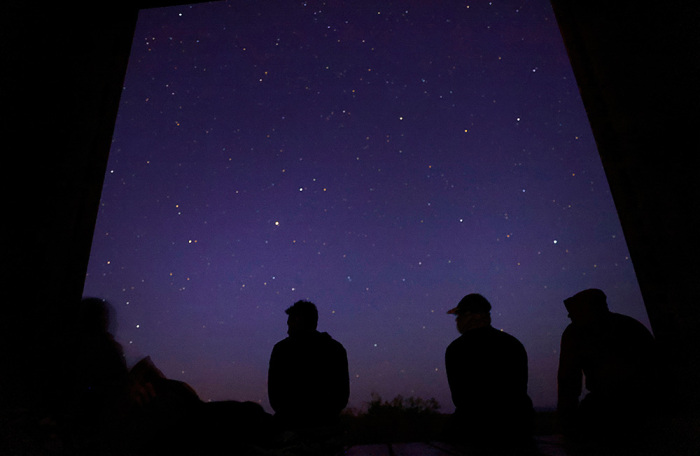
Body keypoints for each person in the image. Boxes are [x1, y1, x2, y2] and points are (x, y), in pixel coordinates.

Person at [557, 288, 658, 442]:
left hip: (615, 409)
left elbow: (568, 382)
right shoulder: (631, 326)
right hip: (645, 408)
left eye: (574, 312)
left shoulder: (575, 333)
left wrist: (566, 422)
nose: (569, 316)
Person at [444, 293, 534, 450]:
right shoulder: (513, 344)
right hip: (518, 427)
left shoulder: (456, 349)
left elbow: (460, 398)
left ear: (473, 317)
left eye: (459, 316)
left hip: (477, 430)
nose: (457, 320)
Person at [268, 300, 349, 432]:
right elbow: (341, 395)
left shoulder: (281, 350)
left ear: (298, 321)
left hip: (292, 426)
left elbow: (275, 395)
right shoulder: (335, 349)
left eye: (290, 324)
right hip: (326, 425)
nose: (288, 330)